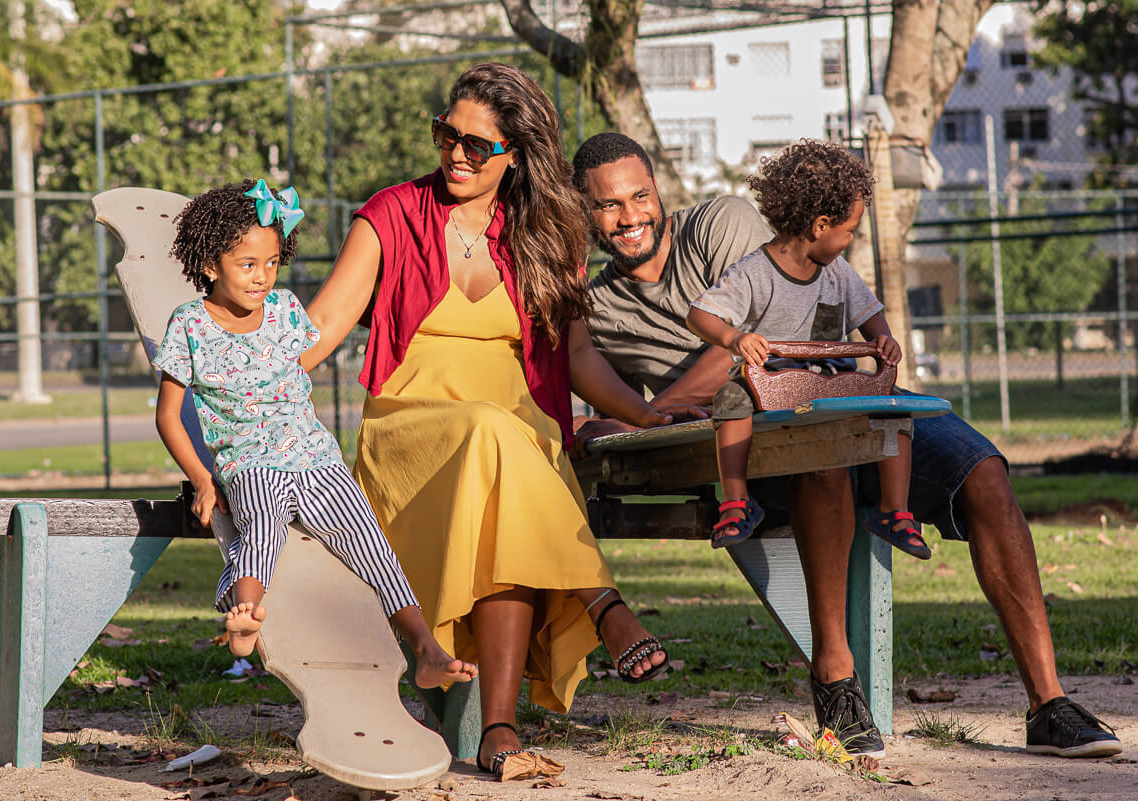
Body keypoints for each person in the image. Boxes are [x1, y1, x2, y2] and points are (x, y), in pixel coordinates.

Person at [572, 131, 1122, 758]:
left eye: (639, 196)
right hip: (756, 440)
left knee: (985, 472)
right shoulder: (597, 306)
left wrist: (654, 407)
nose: (629, 216)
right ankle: (836, 679)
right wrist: (618, 421)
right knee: (820, 461)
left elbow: (759, 336)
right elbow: (590, 401)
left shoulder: (719, 224)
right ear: (584, 210)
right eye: (607, 205)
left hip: (851, 394)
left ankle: (1049, 703)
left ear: (657, 191)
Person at [302, 65, 691, 780]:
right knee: (493, 435)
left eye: (477, 146)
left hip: (517, 429)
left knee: (507, 456)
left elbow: (576, 353)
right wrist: (241, 393)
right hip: (412, 427)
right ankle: (602, 600)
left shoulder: (548, 229)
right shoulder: (391, 213)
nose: (455, 153)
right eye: (446, 135)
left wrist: (643, 411)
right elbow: (321, 326)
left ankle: (501, 727)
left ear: (516, 153)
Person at [153, 178, 477, 692]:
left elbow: (293, 371)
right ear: (211, 265)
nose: (262, 277)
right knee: (261, 526)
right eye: (247, 265)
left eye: (272, 263)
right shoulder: (189, 324)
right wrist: (202, 478)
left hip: (317, 457)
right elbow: (169, 415)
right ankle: (245, 612)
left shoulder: (284, 311)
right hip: (248, 461)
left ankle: (425, 649)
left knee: (370, 541)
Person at [686, 140, 929, 559]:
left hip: (830, 379)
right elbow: (699, 316)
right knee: (730, 397)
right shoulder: (754, 272)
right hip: (773, 380)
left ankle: (895, 511)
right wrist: (734, 339)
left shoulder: (838, 272)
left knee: (895, 405)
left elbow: (871, 317)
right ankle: (736, 502)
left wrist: (884, 338)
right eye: (849, 230)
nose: (851, 239)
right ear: (819, 225)